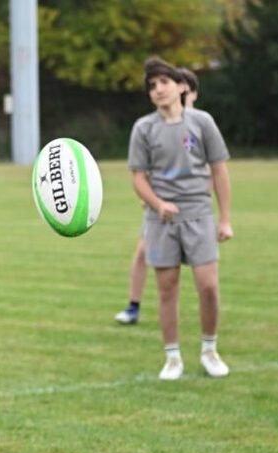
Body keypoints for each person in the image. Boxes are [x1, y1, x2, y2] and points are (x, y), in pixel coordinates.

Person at [127, 57, 233, 379]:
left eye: (164, 82)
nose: (158, 89)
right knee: (167, 288)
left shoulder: (202, 122)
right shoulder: (144, 128)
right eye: (152, 86)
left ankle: (210, 350)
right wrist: (158, 204)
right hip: (161, 221)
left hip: (198, 214)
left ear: (180, 86)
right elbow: (138, 177)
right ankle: (172, 357)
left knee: (208, 287)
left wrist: (225, 219)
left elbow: (219, 170)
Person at [114, 67, 200, 325]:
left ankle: (205, 306)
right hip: (160, 207)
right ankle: (133, 306)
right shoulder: (154, 126)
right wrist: (150, 198)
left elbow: (208, 169)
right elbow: (145, 168)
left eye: (186, 90)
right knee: (143, 252)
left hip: (192, 208)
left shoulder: (199, 126)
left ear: (191, 92)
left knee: (199, 261)